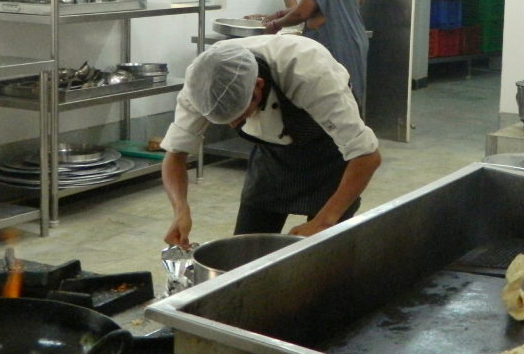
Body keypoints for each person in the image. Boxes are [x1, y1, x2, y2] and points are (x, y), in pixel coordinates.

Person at [160, 35, 381, 242]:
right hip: (272, 159)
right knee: (245, 250)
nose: (234, 125)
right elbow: (175, 153)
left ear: (258, 85)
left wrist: (324, 220)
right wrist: (180, 210)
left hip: (329, 155)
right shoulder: (203, 81)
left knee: (325, 252)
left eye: (241, 115)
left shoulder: (310, 72)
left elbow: (367, 156)